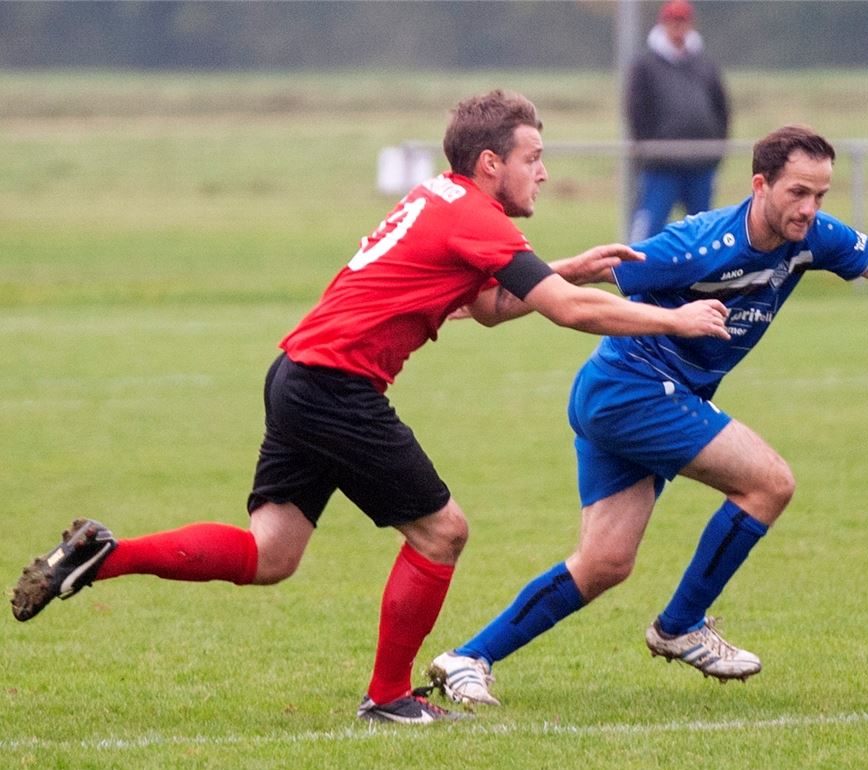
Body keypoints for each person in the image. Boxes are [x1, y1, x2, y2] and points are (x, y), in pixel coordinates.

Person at [9, 90, 731, 726]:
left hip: (297, 374)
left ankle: (105, 556)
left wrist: (560, 268)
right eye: (533, 156)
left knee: (271, 553)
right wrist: (676, 320)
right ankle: (389, 697)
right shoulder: (477, 217)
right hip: (335, 387)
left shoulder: (437, 198)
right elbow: (569, 314)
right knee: (442, 531)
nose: (543, 170)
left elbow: (482, 305)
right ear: (488, 163)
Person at [428, 124, 868, 707]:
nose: (809, 209)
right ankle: (681, 625)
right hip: (632, 390)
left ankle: (468, 657)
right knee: (769, 482)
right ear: (761, 185)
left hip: (629, 393)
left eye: (821, 196)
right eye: (797, 193)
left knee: (604, 562)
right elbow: (577, 282)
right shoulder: (696, 245)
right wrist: (469, 300)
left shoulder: (812, 239)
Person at [626, 0, 730, 243]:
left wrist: (716, 150)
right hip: (660, 163)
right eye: (673, 22)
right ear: (663, 24)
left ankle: (699, 278)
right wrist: (648, 150)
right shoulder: (646, 65)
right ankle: (637, 275)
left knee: (704, 233)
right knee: (649, 227)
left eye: (683, 22)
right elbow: (636, 111)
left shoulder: (705, 63)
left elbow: (721, 108)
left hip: (700, 161)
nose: (678, 28)